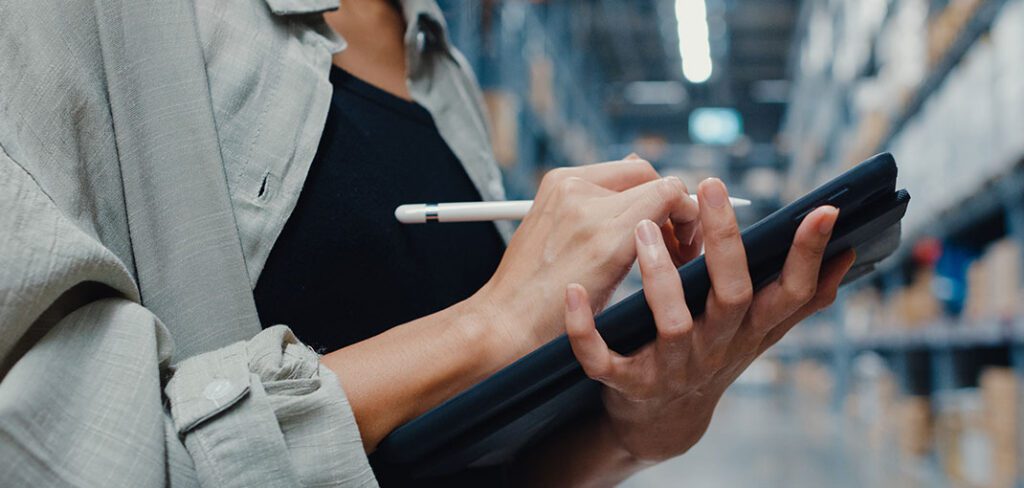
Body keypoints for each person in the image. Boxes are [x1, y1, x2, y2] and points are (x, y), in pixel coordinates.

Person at [0, 0, 855, 487]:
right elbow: (54, 454)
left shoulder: (440, 65)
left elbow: (473, 464)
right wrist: (486, 326)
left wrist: (638, 425)